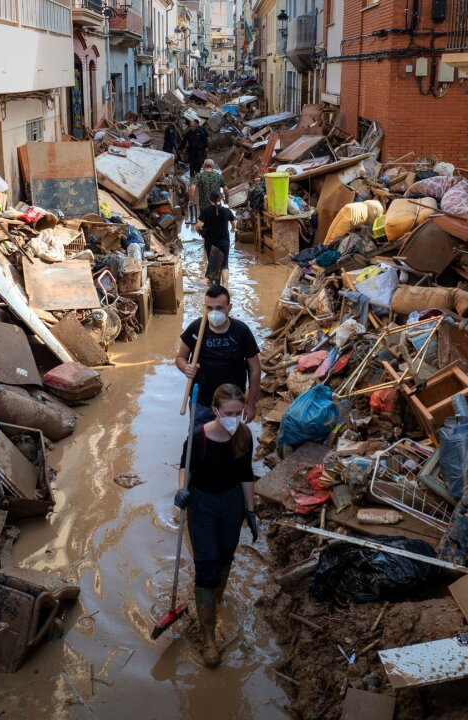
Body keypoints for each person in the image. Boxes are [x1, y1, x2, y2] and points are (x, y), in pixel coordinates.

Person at [174, 383, 259, 668]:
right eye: (228, 412)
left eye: (238, 412)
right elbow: (184, 466)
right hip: (203, 505)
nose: (234, 417)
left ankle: (215, 599)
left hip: (231, 503)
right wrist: (181, 490)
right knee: (207, 564)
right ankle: (208, 638)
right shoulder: (200, 437)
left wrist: (250, 510)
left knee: (225, 557)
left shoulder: (244, 436)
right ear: (215, 411)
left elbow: (246, 474)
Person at [176, 284, 261, 428]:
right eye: (209, 308)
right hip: (202, 401)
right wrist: (186, 368)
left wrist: (251, 404)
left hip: (231, 405)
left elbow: (255, 369)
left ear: (229, 307)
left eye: (219, 308)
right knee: (199, 442)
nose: (214, 312)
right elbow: (180, 358)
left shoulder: (241, 331)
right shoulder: (196, 328)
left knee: (228, 442)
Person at [195, 189, 236, 286]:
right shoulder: (226, 211)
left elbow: (198, 226)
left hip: (211, 242)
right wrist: (234, 229)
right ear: (221, 199)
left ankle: (214, 285)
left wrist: (199, 231)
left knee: (212, 263)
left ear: (210, 199)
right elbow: (234, 222)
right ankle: (225, 286)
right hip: (224, 242)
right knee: (225, 265)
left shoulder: (206, 211)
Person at [188, 158, 226, 225]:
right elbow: (226, 189)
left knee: (205, 224)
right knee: (216, 223)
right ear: (213, 167)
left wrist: (191, 200)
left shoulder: (199, 176)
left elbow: (192, 189)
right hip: (216, 205)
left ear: (203, 166)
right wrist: (227, 199)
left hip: (204, 207)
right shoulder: (218, 176)